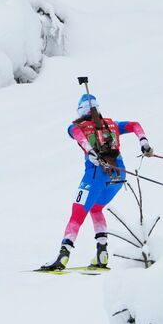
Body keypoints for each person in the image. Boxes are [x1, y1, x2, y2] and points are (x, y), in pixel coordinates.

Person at [38, 93, 151, 272]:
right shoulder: (112, 125)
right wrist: (144, 142)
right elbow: (135, 125)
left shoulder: (77, 127)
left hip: (96, 175)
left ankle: (62, 256)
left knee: (77, 213)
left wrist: (90, 150)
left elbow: (75, 133)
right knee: (96, 208)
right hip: (118, 176)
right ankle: (102, 254)